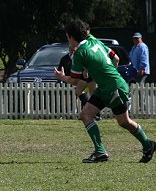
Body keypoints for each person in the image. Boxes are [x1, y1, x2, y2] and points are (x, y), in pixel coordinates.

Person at [54, 19, 155, 163]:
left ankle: (148, 144)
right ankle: (100, 151)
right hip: (109, 86)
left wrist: (61, 76)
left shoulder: (80, 53)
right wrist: (105, 72)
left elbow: (75, 80)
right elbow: (116, 58)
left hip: (113, 88)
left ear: (70, 37)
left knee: (124, 122)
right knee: (86, 114)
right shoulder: (94, 41)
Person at [58, 45, 101, 120]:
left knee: (93, 94)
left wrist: (86, 70)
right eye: (72, 50)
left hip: (90, 76)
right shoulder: (65, 58)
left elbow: (88, 63)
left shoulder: (81, 55)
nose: (73, 52)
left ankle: (96, 114)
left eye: (75, 51)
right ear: (69, 50)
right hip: (77, 79)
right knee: (79, 91)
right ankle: (91, 112)